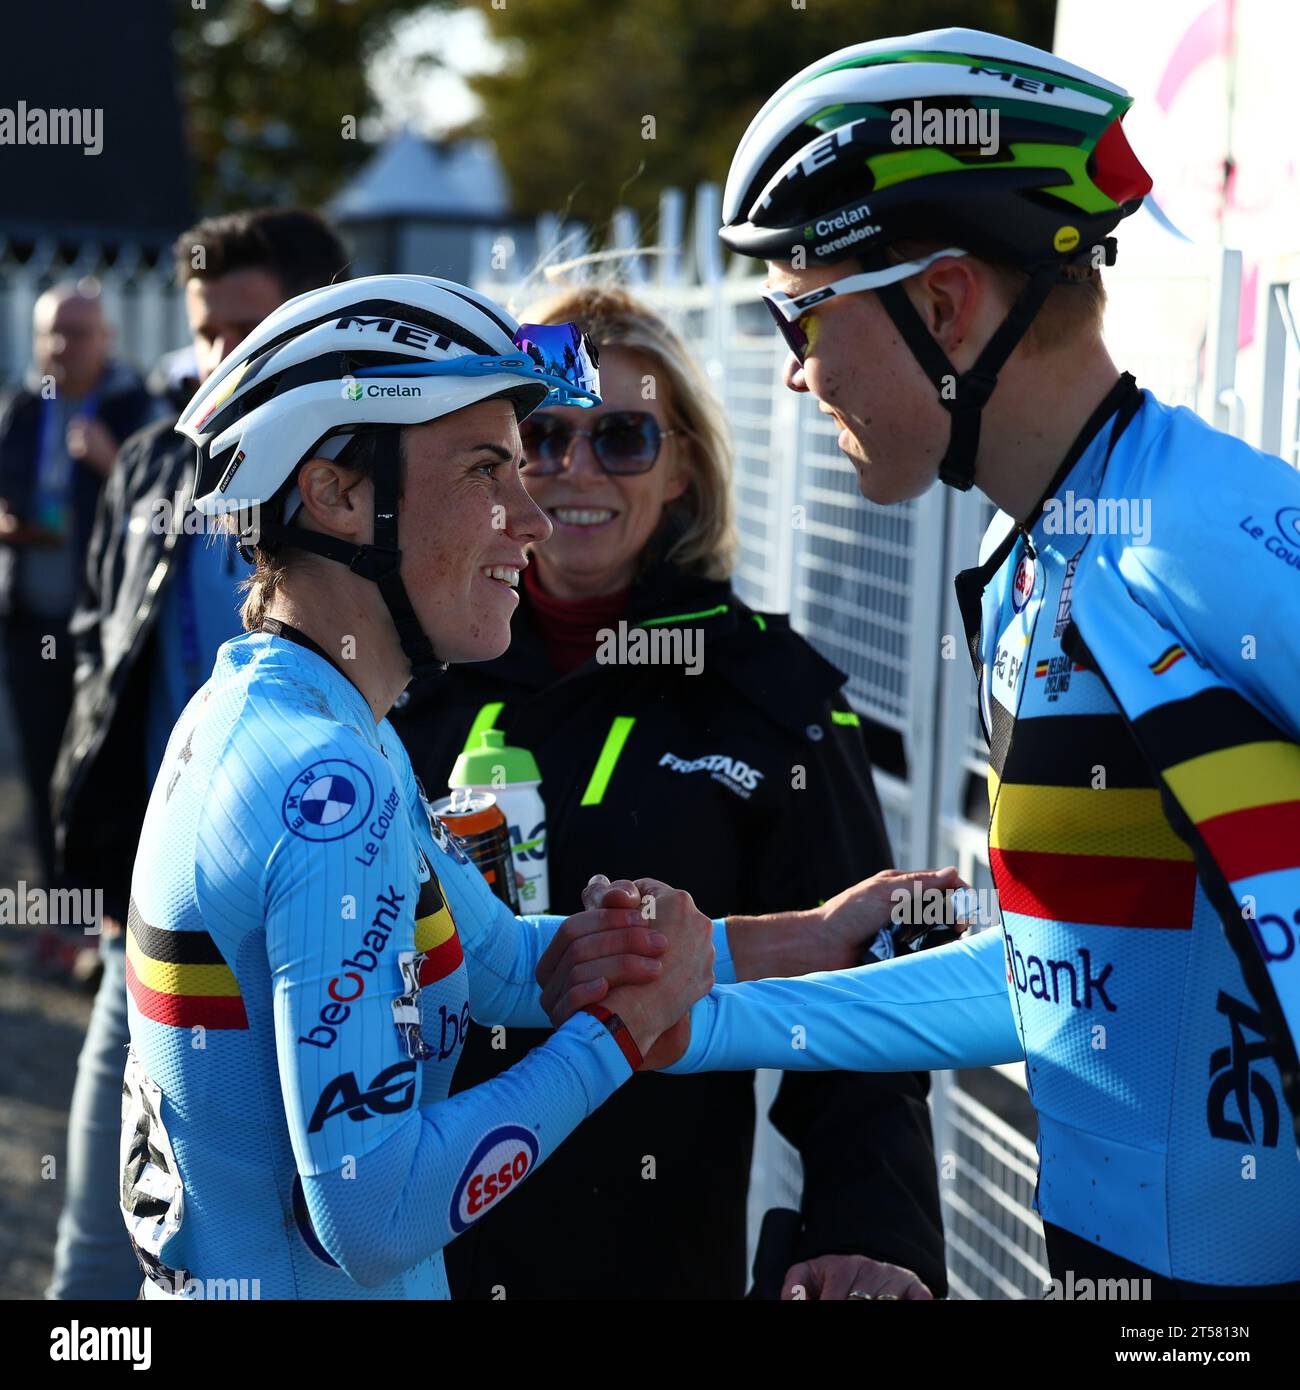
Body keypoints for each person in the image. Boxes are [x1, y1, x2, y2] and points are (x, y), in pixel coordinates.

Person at [543, 28, 1300, 1299]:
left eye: (802, 313)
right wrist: (698, 998)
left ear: (942, 302)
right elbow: (1058, 978)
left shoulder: (1207, 537)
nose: (790, 370)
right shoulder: (1027, 568)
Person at [119, 272, 726, 1299]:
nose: (530, 517)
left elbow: (494, 964)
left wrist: (792, 937)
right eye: (489, 468)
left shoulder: (293, 712)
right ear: (338, 491)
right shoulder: (326, 782)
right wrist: (619, 1036)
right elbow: (374, 1211)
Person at [392, 282, 950, 1300]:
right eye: (541, 437)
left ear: (683, 462)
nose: (575, 470)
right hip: (406, 1251)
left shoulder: (769, 694)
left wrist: (873, 1229)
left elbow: (857, 999)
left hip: (651, 1254)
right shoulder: (401, 675)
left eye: (622, 437)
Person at [45, 209, 351, 1300]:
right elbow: (101, 654)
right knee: (88, 1259)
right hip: (156, 934)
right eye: (205, 333)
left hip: (319, 952)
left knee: (269, 1263)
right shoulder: (152, 464)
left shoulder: (374, 477)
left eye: (250, 330)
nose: (221, 362)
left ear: (322, 320)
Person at [0, 281, 153, 902]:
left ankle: (117, 916)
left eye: (78, 332)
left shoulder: (137, 407)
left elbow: (165, 509)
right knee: (40, 766)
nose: (63, 347)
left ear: (108, 339)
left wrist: (111, 460)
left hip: (107, 629)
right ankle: (62, 910)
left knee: (105, 770)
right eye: (51, 334)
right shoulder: (23, 406)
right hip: (30, 622)